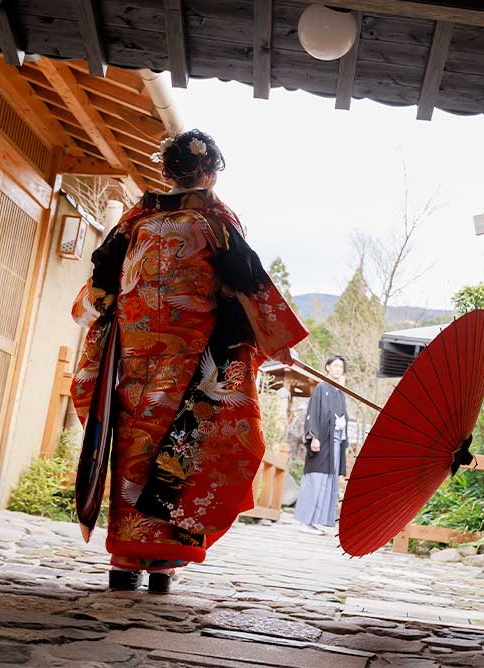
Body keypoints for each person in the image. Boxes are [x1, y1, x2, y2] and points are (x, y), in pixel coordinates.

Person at [70, 129, 307, 594]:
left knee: (133, 445)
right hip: (191, 357)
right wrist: (275, 338)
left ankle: (124, 556)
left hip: (135, 358)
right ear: (211, 173)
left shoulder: (135, 219)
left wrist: (108, 314)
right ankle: (162, 563)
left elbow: (102, 285)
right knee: (184, 447)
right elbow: (247, 279)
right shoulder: (215, 218)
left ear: (166, 171)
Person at [294, 355, 349, 534]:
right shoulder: (321, 388)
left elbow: (342, 418)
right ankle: (305, 521)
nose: (338, 369)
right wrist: (314, 436)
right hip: (322, 441)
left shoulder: (339, 392)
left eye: (341, 367)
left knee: (327, 481)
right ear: (327, 368)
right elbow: (313, 413)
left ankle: (316, 520)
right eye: (335, 366)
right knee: (315, 479)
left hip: (334, 444)